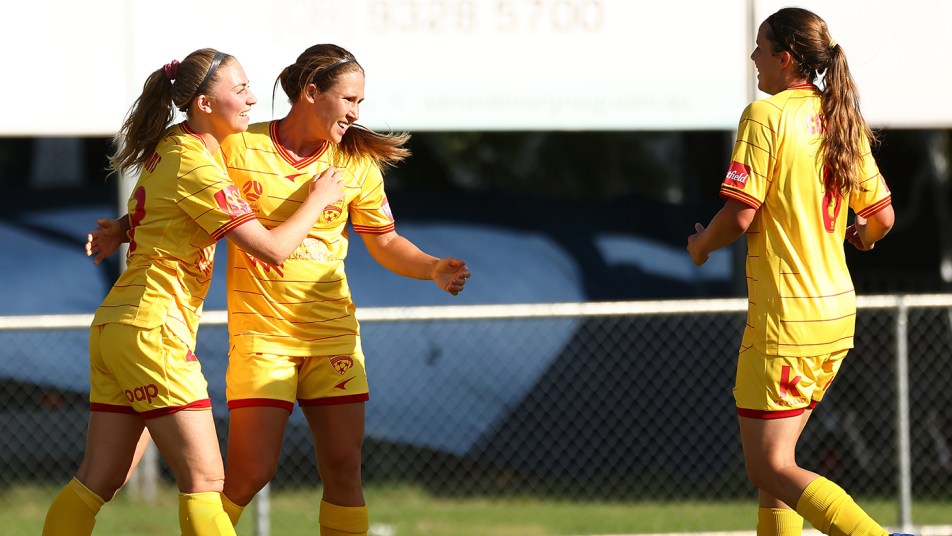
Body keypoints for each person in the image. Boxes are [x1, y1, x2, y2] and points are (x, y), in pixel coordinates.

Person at [44, 47, 344, 536]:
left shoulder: (177, 144)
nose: (252, 99)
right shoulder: (198, 165)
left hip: (119, 324)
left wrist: (121, 227)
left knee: (99, 480)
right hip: (153, 329)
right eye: (240, 89)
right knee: (206, 480)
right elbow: (272, 250)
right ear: (205, 103)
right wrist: (318, 200)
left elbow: (162, 206)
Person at [215, 43, 471, 536]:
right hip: (262, 340)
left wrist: (433, 266)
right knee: (250, 473)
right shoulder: (239, 147)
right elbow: (184, 193)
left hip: (333, 336)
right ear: (311, 93)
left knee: (343, 470)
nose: (355, 113)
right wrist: (126, 224)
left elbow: (385, 240)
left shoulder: (356, 164)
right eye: (348, 99)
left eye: (361, 103)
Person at [687, 7, 902, 536]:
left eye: (761, 46)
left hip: (787, 321)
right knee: (776, 472)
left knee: (769, 467)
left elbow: (740, 214)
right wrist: (860, 237)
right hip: (834, 316)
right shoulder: (839, 116)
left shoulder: (766, 116)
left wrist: (700, 247)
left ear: (785, 59)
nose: (753, 56)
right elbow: (881, 217)